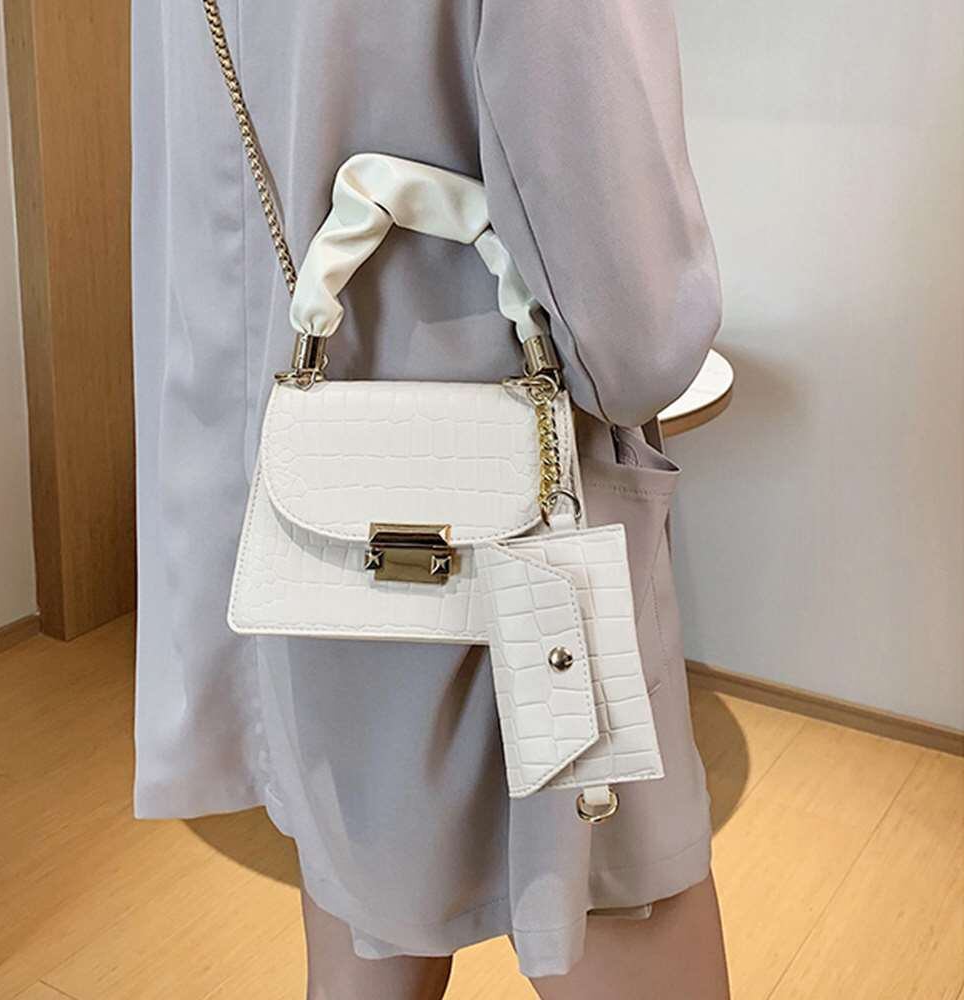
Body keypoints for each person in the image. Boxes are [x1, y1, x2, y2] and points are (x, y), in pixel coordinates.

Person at [132, 1, 730, 997]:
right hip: (537, 539)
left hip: (307, 518)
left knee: (362, 916)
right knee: (610, 899)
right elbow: (636, 335)